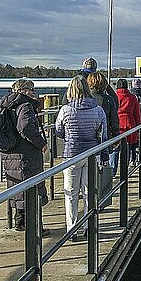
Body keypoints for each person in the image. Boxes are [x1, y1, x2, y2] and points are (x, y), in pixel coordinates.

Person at [55, 75, 108, 240]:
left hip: (71, 154)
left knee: (71, 193)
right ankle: (88, 225)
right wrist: (104, 155)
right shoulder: (98, 110)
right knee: (89, 192)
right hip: (92, 154)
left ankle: (72, 229)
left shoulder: (65, 110)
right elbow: (103, 135)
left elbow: (58, 131)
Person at [0, 79, 50, 234]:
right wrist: (41, 143)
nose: (33, 92)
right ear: (22, 90)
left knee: (17, 187)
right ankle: (36, 227)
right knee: (33, 189)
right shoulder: (25, 105)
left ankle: (19, 222)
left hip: (10, 152)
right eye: (31, 89)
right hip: (26, 154)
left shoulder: (5, 105)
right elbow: (25, 127)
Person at [87, 72, 119, 207]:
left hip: (87, 137)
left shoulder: (86, 99)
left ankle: (89, 196)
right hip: (103, 138)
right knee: (102, 165)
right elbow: (114, 120)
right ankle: (100, 198)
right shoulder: (108, 99)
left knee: (87, 168)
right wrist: (116, 135)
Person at [116, 78, 141, 166]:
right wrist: (138, 126)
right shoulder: (132, 97)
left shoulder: (114, 96)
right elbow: (137, 114)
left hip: (118, 122)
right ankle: (132, 160)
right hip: (130, 121)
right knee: (131, 144)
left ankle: (114, 168)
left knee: (117, 146)